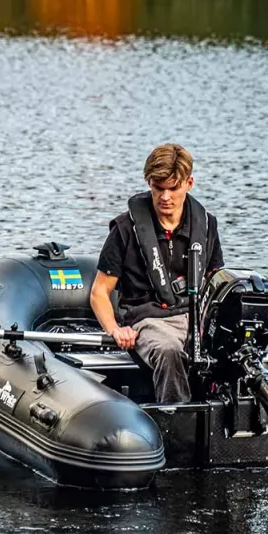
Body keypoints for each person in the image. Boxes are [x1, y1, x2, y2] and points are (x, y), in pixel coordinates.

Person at [90, 144, 224, 404]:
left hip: (194, 316)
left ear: (189, 183)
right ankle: (174, 418)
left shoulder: (207, 225)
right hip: (147, 319)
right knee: (168, 350)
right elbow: (99, 293)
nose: (165, 197)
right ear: (149, 183)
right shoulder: (125, 229)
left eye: (173, 188)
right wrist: (115, 330)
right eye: (158, 188)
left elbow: (215, 280)